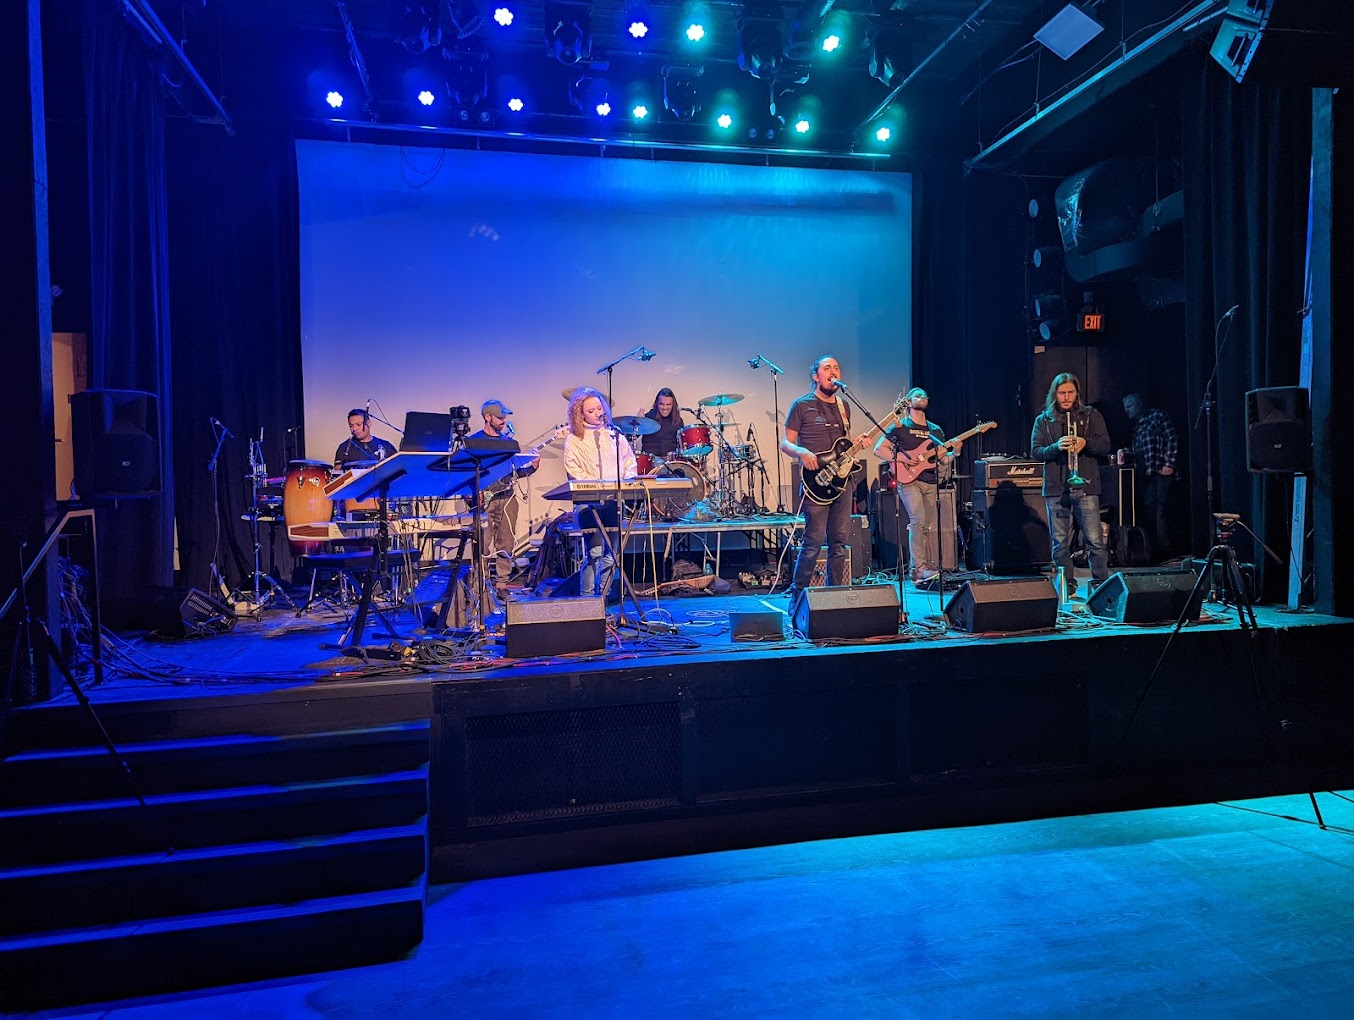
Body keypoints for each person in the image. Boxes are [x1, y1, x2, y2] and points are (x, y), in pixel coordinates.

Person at [781, 355, 861, 600]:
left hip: (841, 482)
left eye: (836, 367)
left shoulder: (843, 406)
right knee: (813, 542)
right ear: (816, 376)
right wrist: (801, 452)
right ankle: (798, 598)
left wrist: (857, 445)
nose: (833, 371)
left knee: (839, 543)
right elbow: (785, 443)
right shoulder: (801, 405)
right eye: (827, 368)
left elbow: (844, 444)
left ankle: (834, 598)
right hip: (815, 482)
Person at [1031, 373, 1110, 598]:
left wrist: (1085, 443)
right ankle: (1068, 588)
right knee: (1060, 543)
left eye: (1070, 392)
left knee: (1095, 541)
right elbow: (1036, 452)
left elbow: (1105, 446)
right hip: (1056, 488)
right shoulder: (1043, 421)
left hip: (1085, 486)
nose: (1066, 397)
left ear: (1077, 393)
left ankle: (1101, 587)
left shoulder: (1091, 415)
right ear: (1054, 394)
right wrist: (1056, 447)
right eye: (1061, 393)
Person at [872, 387, 961, 586]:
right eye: (916, 395)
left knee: (923, 525)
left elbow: (943, 460)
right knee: (918, 519)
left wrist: (954, 453)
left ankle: (919, 569)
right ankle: (919, 568)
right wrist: (903, 458)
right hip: (909, 480)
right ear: (908, 402)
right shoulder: (900, 426)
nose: (921, 397)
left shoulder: (935, 430)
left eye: (924, 395)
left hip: (930, 481)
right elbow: (879, 449)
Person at [563, 388, 637, 599]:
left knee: (611, 554)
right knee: (595, 552)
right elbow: (573, 469)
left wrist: (627, 479)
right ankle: (587, 600)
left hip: (613, 500)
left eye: (599, 408)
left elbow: (629, 461)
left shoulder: (615, 435)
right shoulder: (574, 439)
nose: (597, 413)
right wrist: (597, 485)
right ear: (580, 414)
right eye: (591, 411)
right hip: (589, 502)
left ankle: (602, 597)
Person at [470, 400, 540, 589]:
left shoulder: (508, 443)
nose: (504, 421)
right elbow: (466, 472)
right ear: (487, 417)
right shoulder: (474, 442)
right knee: (482, 543)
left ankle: (502, 584)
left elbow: (514, 473)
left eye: (504, 417)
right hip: (483, 499)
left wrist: (532, 468)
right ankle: (481, 585)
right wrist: (472, 493)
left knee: (506, 543)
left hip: (507, 497)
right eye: (500, 417)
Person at [1123, 392, 1178, 561]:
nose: (1126, 410)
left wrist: (1169, 463)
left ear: (1139, 404)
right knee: (1150, 513)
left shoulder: (1157, 416)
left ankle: (1167, 551)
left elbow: (1172, 437)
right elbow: (1141, 449)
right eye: (1125, 408)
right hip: (1146, 475)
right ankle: (1156, 551)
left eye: (1129, 406)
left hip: (1161, 473)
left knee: (1161, 512)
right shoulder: (1138, 426)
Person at [334, 407, 398, 469]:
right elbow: (338, 472)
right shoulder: (344, 448)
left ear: (369, 423)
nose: (354, 429)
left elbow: (399, 466)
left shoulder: (386, 446)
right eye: (351, 426)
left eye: (358, 424)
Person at [643, 388, 685, 459]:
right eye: (661, 404)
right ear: (657, 403)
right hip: (651, 460)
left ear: (673, 405)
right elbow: (631, 437)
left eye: (668, 404)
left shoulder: (678, 421)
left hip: (671, 461)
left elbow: (682, 445)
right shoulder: (648, 418)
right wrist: (637, 421)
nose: (665, 408)